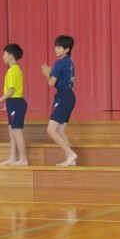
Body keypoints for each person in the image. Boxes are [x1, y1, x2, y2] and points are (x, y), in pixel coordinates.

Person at [41, 35, 77, 167]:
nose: (56, 49)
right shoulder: (69, 62)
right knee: (60, 131)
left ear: (67, 49)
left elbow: (51, 83)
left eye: (59, 47)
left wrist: (47, 74)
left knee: (51, 130)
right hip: (69, 96)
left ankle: (70, 154)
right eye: (55, 47)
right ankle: (71, 159)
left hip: (62, 97)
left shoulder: (59, 63)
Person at [0, 44, 28, 166]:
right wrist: (7, 103)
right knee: (11, 131)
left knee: (17, 132)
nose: (3, 56)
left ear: (11, 56)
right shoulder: (15, 69)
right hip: (13, 103)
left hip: (16, 102)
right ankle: (13, 157)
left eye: (4, 54)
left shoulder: (12, 70)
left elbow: (12, 90)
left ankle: (23, 159)